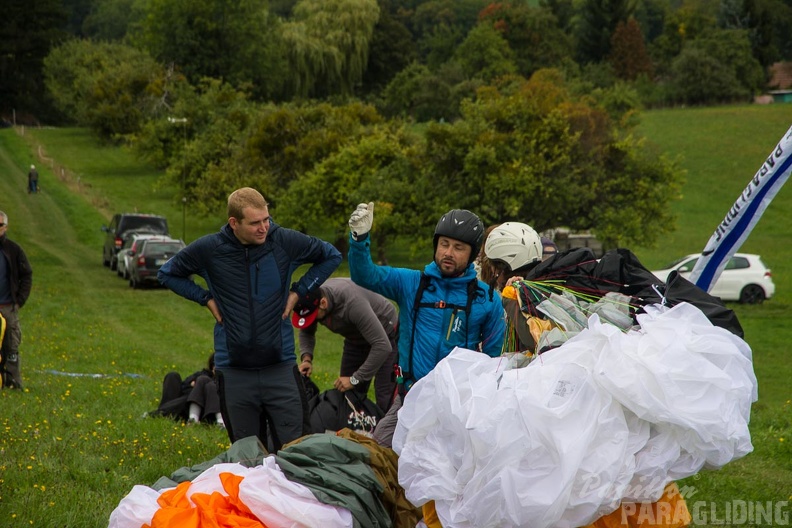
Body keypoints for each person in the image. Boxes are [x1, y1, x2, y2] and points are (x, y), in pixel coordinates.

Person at [158, 187, 342, 451]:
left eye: (266, 219)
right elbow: (168, 273)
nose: (264, 227)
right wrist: (206, 299)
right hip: (234, 372)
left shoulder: (283, 242)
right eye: (255, 222)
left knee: (295, 451)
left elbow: (331, 255)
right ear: (234, 223)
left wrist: (298, 293)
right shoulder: (210, 249)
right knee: (248, 457)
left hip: (279, 367)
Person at [346, 203, 506, 447]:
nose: (448, 253)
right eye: (444, 244)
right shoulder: (411, 283)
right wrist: (359, 239)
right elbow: (365, 275)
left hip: (457, 407)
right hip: (410, 397)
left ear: (473, 254)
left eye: (458, 248)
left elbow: (494, 360)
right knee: (377, 456)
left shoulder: (487, 299)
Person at [291, 277, 399, 413]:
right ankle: (356, 429)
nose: (311, 320)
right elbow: (306, 331)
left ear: (323, 303)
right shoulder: (314, 298)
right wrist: (307, 358)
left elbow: (382, 346)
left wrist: (355, 379)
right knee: (346, 395)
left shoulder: (352, 303)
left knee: (385, 397)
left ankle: (386, 431)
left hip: (386, 335)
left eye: (313, 316)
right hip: (355, 338)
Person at [0, 211, 33, 389]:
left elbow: (27, 274)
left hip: (7, 307)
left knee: (11, 345)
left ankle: (13, 380)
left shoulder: (14, 250)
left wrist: (19, 300)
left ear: (5, 227)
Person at [148, 353, 223, 426]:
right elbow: (184, 385)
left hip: (197, 406)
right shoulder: (202, 374)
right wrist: (193, 385)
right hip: (182, 399)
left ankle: (161, 412)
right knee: (172, 376)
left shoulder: (214, 382)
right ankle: (165, 409)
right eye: (215, 364)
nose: (216, 367)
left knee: (186, 398)